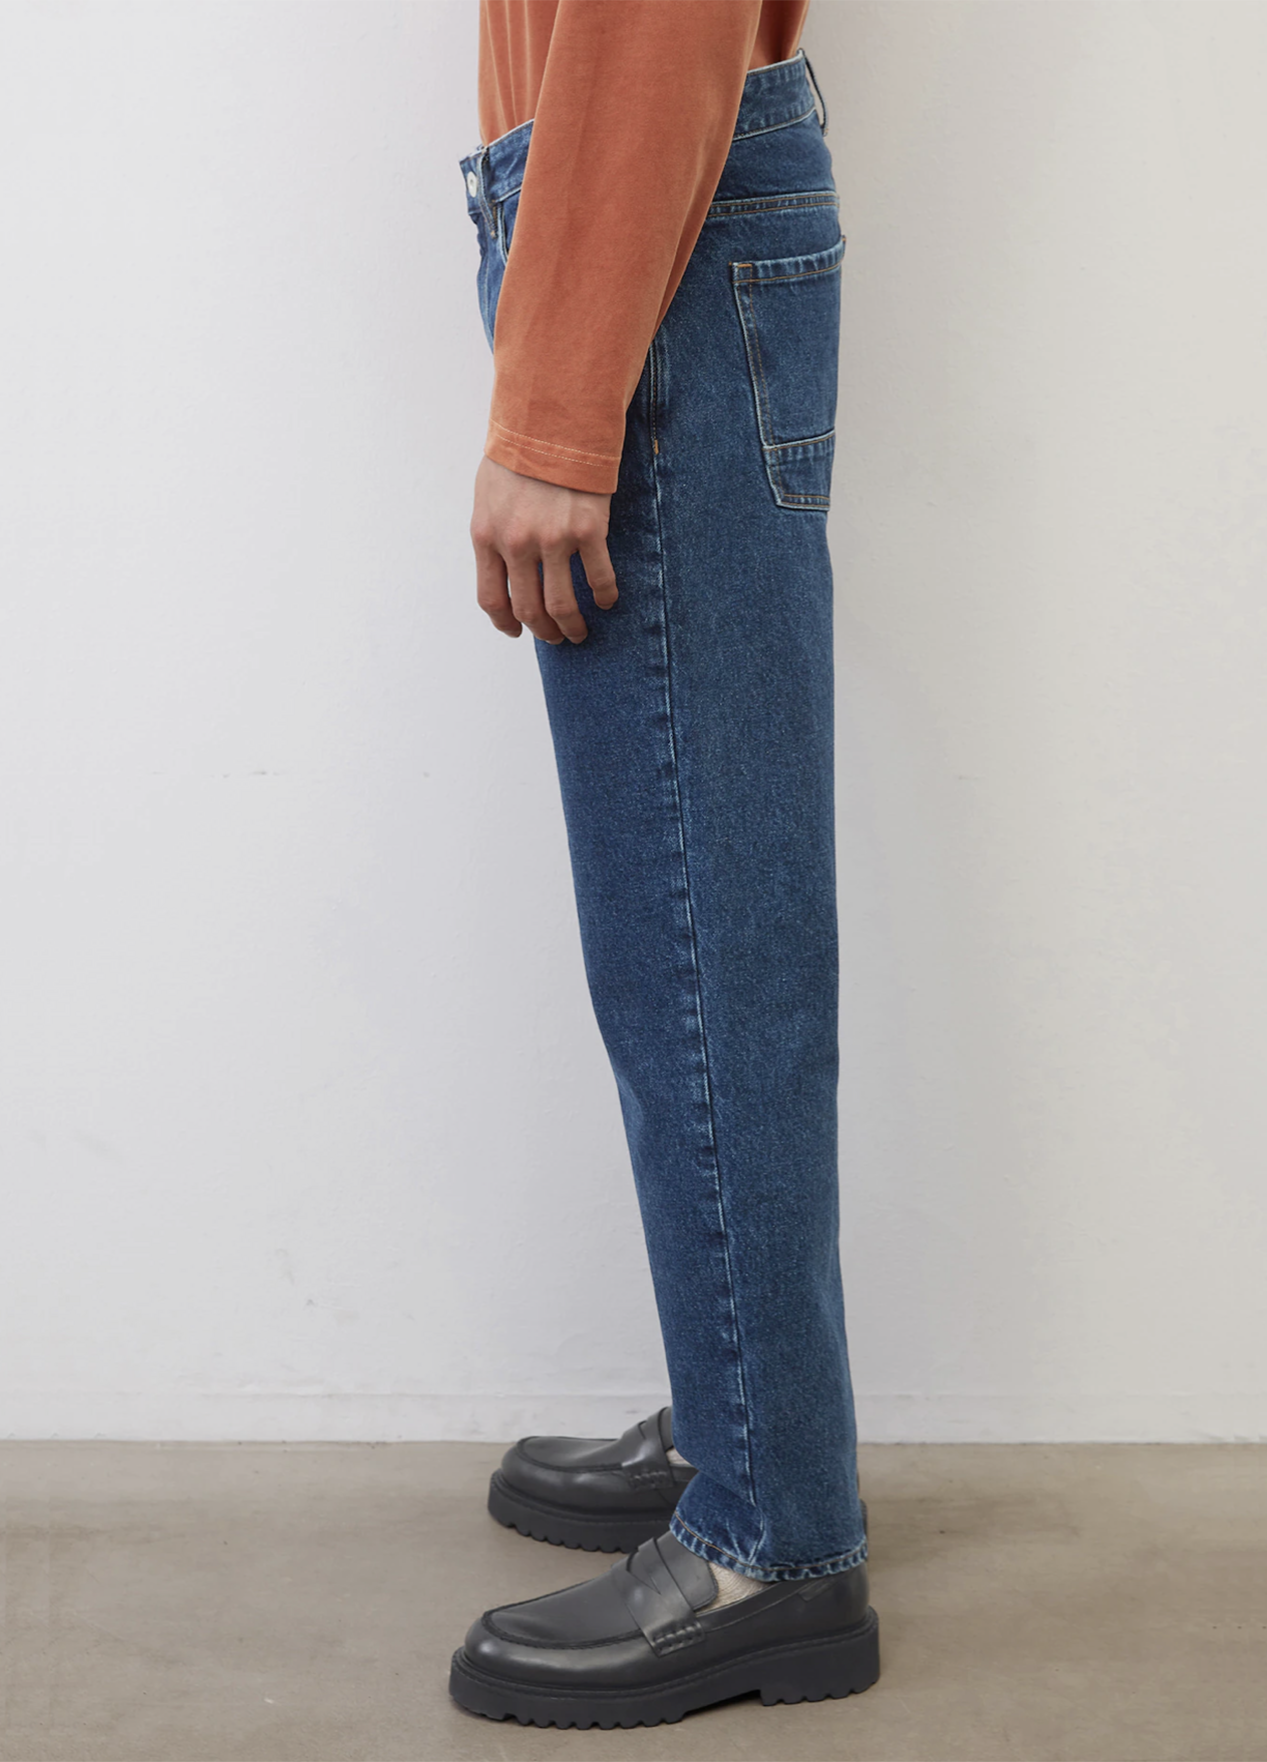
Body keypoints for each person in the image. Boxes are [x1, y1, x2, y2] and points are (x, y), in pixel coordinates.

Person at [448, 0, 878, 1728]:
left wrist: (556, 403)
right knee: (677, 917)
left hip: (657, 232)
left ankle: (774, 1533)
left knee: (705, 930)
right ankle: (741, 1421)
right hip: (645, 210)